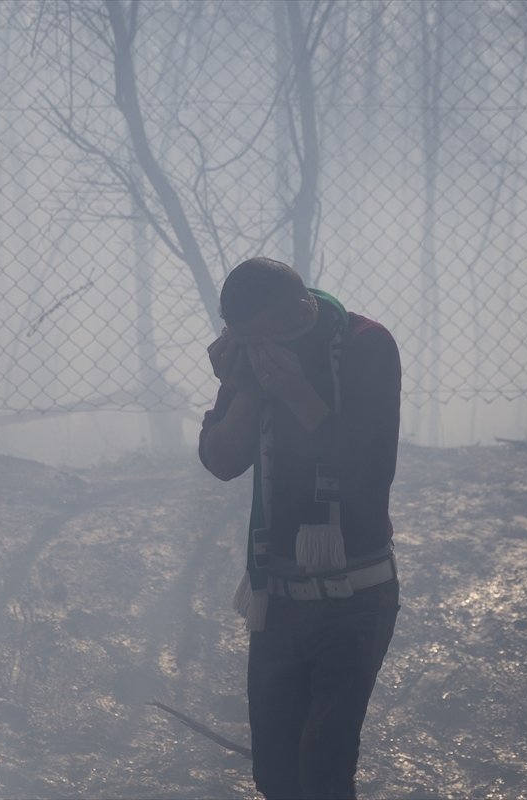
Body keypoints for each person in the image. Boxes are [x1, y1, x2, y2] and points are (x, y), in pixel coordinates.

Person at [199, 257, 401, 800]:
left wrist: (294, 392)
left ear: (301, 312)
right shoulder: (252, 355)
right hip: (277, 600)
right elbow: (220, 460)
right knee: (276, 777)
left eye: (267, 338)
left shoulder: (364, 346)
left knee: (323, 773)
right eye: (243, 339)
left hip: (355, 596)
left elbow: (369, 471)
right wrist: (245, 390)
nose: (259, 350)